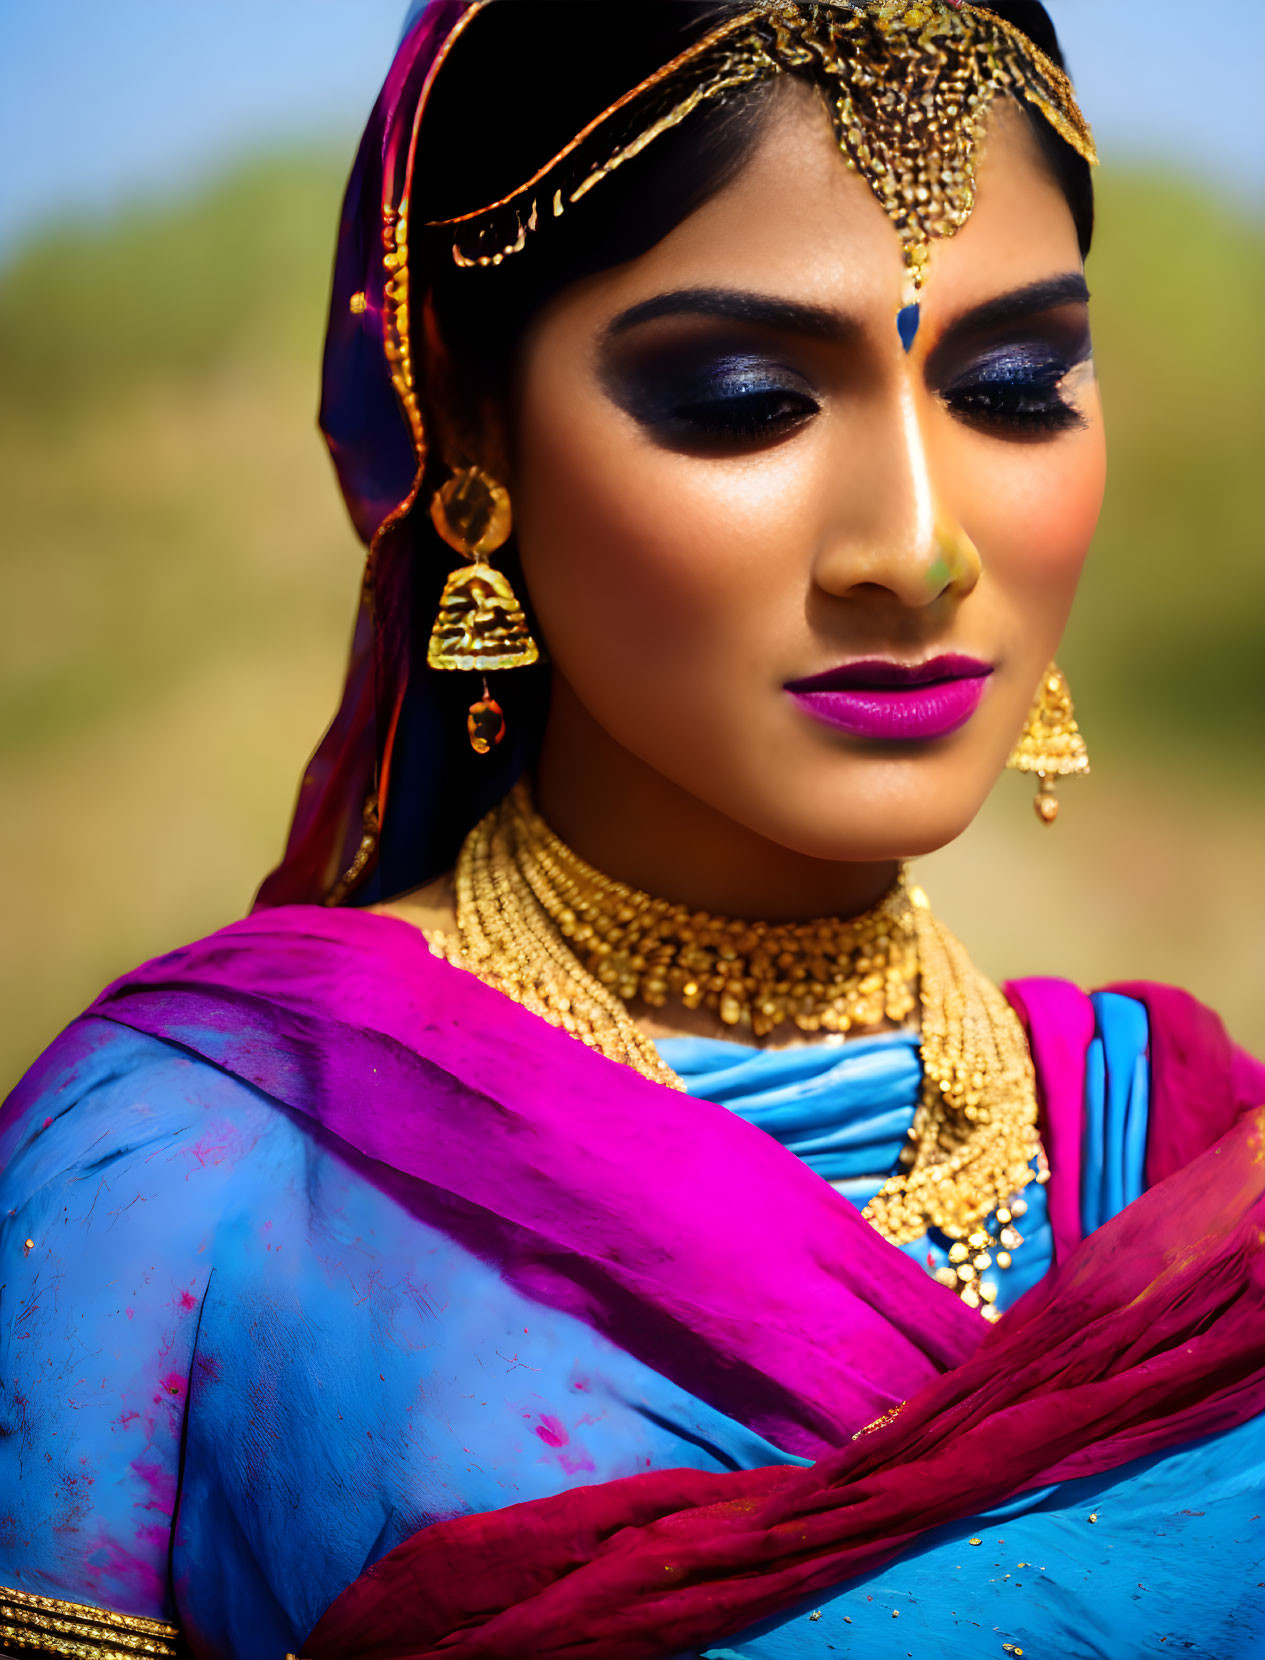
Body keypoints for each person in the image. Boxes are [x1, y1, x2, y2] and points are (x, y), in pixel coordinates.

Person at [2, 4, 1262, 1657]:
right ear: (466, 422)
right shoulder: (178, 1171)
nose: (916, 545)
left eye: (1014, 387)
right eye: (742, 397)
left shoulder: (1174, 1159)